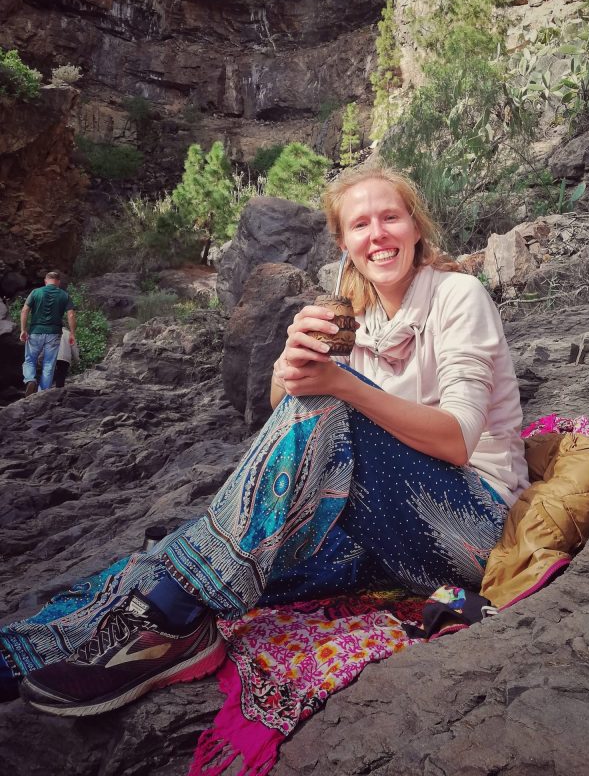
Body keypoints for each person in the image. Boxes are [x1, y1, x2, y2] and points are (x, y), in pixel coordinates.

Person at [2, 164, 527, 715]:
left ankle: (175, 626)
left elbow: (456, 441)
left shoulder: (458, 296)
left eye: (390, 217)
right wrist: (290, 365)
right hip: (381, 540)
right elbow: (290, 413)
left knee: (327, 413)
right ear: (344, 242)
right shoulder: (352, 319)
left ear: (415, 227)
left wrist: (339, 386)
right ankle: (17, 657)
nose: (377, 235)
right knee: (162, 563)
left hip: (474, 529)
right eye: (360, 225)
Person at [19, 272, 76, 396]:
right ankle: (42, 393)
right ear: (58, 282)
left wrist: (23, 329)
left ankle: (30, 380)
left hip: (35, 332)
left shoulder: (35, 292)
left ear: (46, 281)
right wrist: (72, 333)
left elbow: (24, 310)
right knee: (49, 364)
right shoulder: (64, 295)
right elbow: (71, 314)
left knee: (30, 360)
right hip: (54, 334)